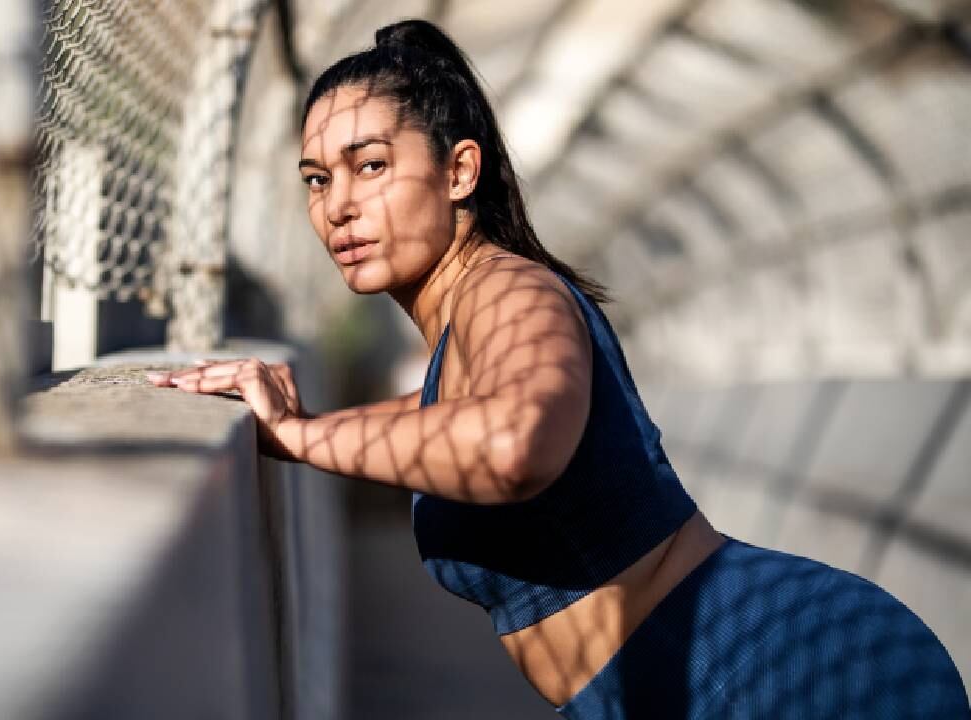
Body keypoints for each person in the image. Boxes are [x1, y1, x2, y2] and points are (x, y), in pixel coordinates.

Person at [146, 18, 969, 719]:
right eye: (316, 180)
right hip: (678, 677)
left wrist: (300, 436)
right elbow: (430, 418)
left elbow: (512, 445)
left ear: (459, 171)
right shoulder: (464, 333)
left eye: (371, 166)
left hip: (779, 670)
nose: (338, 206)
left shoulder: (508, 288)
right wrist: (297, 428)